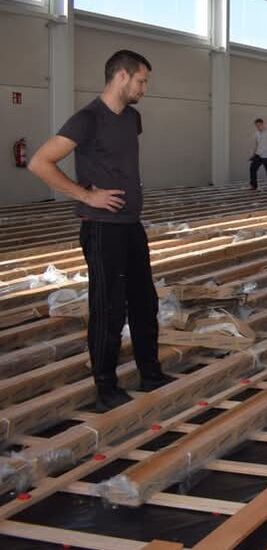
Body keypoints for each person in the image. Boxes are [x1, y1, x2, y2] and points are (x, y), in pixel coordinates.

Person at [28, 50, 175, 412]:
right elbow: (40, 162)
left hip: (130, 226)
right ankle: (105, 388)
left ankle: (150, 372)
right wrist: (85, 195)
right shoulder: (88, 119)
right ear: (121, 76)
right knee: (108, 308)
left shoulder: (133, 118)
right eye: (141, 80)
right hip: (102, 229)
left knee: (144, 303)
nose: (144, 88)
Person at [249, 118, 267, 191]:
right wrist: (253, 154)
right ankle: (254, 186)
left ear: (262, 124)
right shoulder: (256, 133)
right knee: (252, 168)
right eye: (257, 126)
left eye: (259, 125)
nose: (258, 127)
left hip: (266, 155)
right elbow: (257, 144)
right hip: (258, 154)